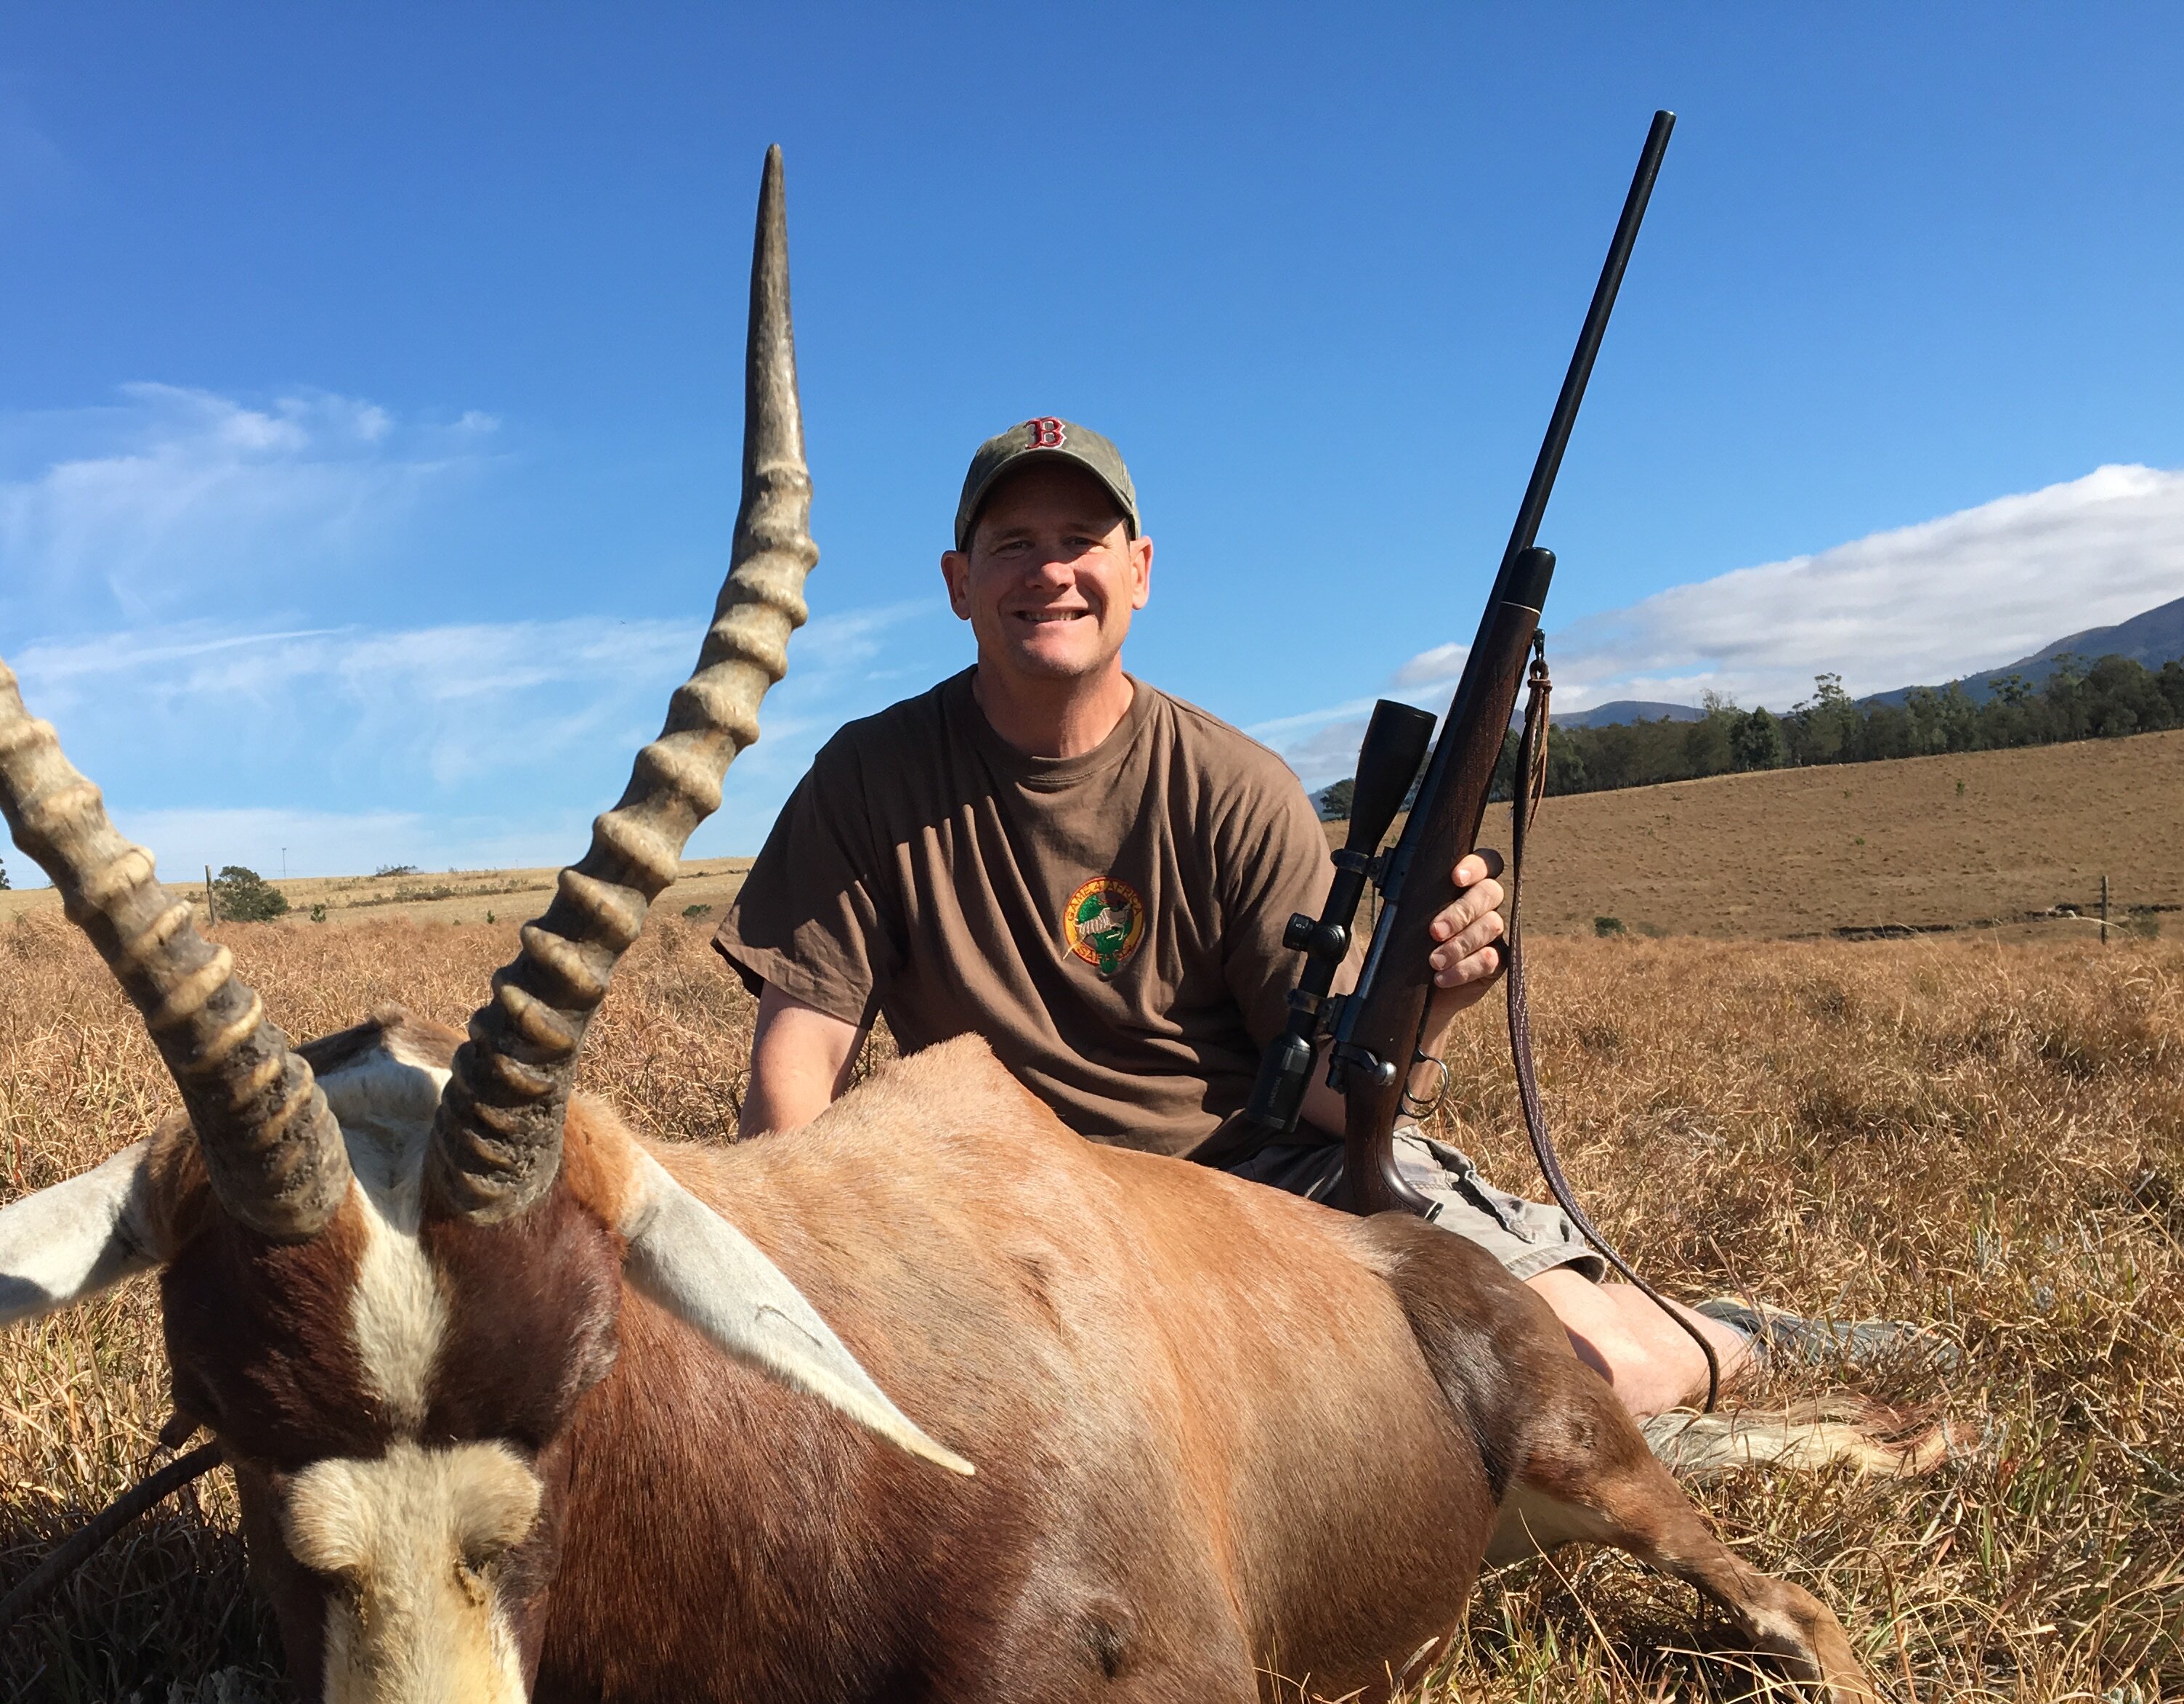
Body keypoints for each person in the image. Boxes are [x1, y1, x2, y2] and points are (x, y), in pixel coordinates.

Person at [715, 417, 1901, 1416]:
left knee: (1594, 1370)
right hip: (1008, 1224)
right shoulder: (869, 778)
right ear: (957, 582)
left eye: (1082, 540)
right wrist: (811, 1277)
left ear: (1139, 570)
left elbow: (1337, 1088)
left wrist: (1432, 1004)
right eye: (1012, 543)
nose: (1049, 570)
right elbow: (796, 1067)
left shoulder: (1232, 784)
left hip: (1252, 1182)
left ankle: (1738, 1338)